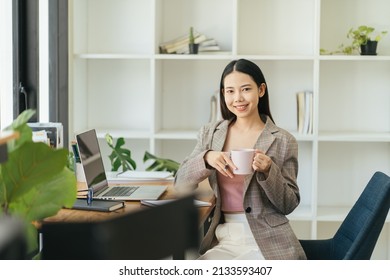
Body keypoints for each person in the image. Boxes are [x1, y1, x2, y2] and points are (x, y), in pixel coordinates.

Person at [174, 59, 306, 260]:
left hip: (269, 239)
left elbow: (288, 204)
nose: (238, 98)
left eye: (245, 89)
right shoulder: (210, 134)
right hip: (226, 238)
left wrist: (269, 171)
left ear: (261, 90)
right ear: (223, 94)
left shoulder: (283, 140)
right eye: (230, 91)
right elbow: (180, 182)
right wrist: (207, 158)